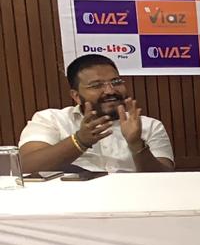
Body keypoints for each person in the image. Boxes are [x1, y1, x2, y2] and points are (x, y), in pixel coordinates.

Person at [19, 54, 174, 173]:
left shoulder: (149, 125)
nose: (110, 91)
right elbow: (27, 166)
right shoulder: (50, 119)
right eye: (96, 85)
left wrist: (137, 145)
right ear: (76, 96)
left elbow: (166, 180)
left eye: (116, 82)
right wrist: (80, 141)